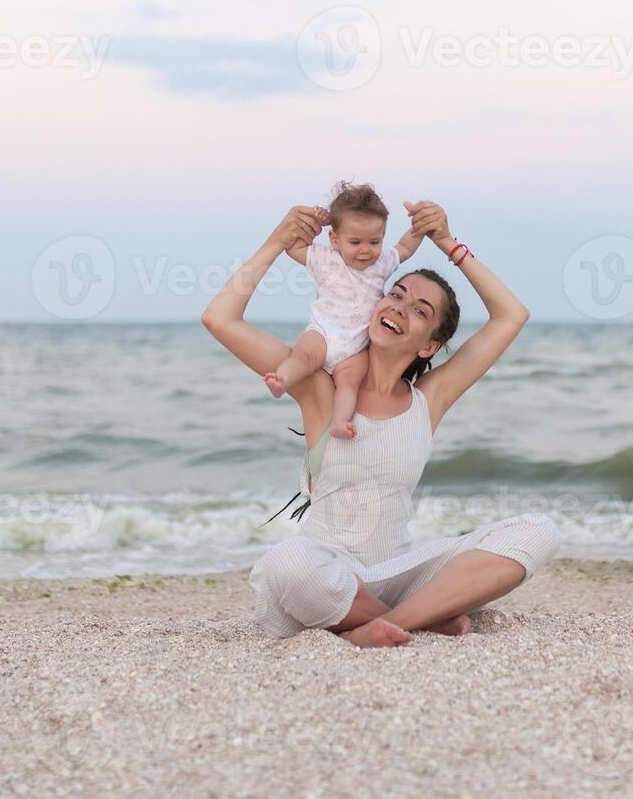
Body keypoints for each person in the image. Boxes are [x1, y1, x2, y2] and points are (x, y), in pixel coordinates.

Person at [201, 199, 559, 648]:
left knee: (539, 530)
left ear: (429, 346)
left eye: (420, 311)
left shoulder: (430, 398)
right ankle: (417, 618)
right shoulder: (320, 387)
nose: (399, 307)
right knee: (286, 562)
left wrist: (448, 243)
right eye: (396, 294)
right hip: (328, 569)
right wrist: (277, 241)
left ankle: (387, 620)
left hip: (401, 571)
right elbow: (219, 318)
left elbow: (512, 315)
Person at [263, 181, 425, 441]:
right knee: (302, 357)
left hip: (356, 347)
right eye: (355, 241)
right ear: (335, 239)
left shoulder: (382, 263)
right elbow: (292, 247)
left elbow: (405, 247)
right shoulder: (326, 258)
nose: (365, 250)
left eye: (374, 241)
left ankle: (340, 423)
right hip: (323, 333)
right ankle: (282, 380)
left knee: (349, 384)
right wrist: (313, 223)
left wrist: (421, 224)